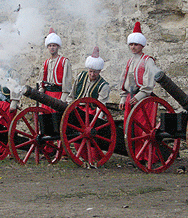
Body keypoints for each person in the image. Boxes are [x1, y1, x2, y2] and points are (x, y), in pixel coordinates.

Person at [119, 21, 157, 163]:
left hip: (144, 100)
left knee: (144, 130)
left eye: (136, 44)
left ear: (142, 45)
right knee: (131, 129)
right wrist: (123, 97)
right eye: (131, 44)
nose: (133, 47)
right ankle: (136, 155)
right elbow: (124, 81)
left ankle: (147, 156)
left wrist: (141, 95)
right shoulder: (129, 62)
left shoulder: (148, 61)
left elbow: (149, 82)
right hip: (131, 98)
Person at [66, 46, 110, 164]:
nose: (92, 74)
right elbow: (72, 93)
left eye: (95, 72)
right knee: (76, 135)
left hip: (92, 113)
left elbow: (101, 105)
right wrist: (68, 107)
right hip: (79, 109)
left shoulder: (103, 85)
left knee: (93, 140)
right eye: (90, 71)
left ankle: (94, 159)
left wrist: (97, 122)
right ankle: (84, 157)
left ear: (99, 71)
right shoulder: (81, 76)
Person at [37, 28, 72, 112]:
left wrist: (63, 99)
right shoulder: (45, 63)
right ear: (47, 47)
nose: (52, 48)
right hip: (47, 95)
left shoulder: (64, 61)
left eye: (54, 45)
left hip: (58, 95)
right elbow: (42, 81)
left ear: (57, 47)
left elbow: (67, 82)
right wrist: (40, 94)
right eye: (50, 46)